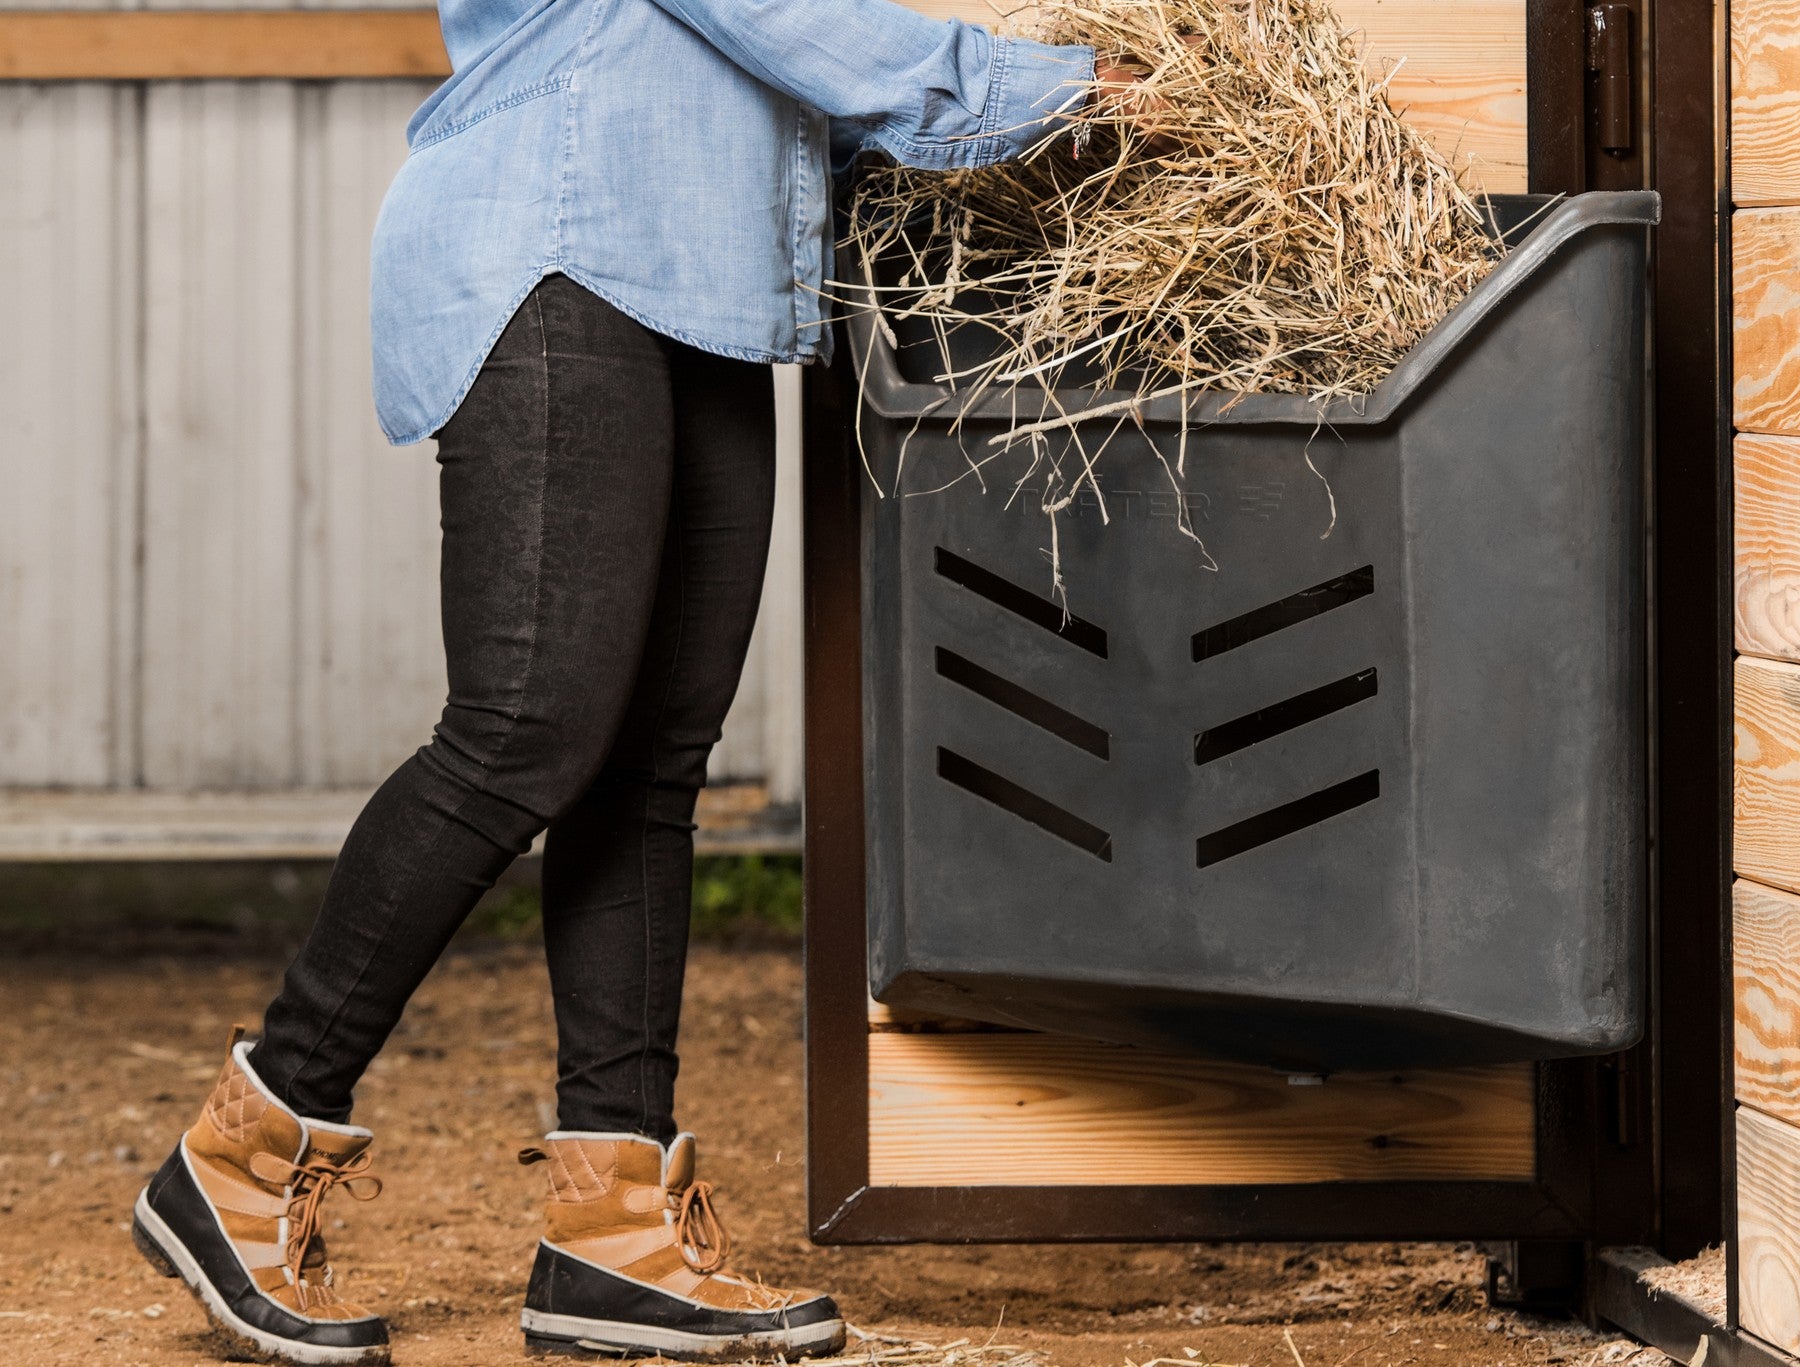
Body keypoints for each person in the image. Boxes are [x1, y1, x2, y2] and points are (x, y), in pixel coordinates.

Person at [127, 2, 1128, 1361]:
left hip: (706, 276)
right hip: (562, 248)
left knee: (652, 761)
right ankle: (244, 1147)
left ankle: (613, 1229)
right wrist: (1048, 90)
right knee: (522, 730)